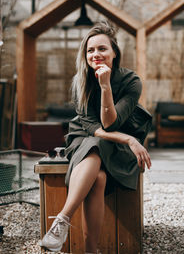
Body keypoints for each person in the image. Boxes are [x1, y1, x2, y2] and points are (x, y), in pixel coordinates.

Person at [39, 21, 152, 253]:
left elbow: (110, 123)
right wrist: (129, 140)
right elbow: (91, 127)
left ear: (114, 53)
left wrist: (106, 87)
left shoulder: (132, 82)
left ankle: (64, 222)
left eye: (102, 48)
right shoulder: (80, 81)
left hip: (114, 140)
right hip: (84, 137)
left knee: (99, 176)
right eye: (90, 50)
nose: (96, 54)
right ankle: (75, 235)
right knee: (95, 147)